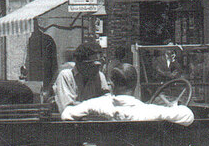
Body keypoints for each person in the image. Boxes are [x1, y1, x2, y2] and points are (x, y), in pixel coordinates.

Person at [62, 64, 193, 125]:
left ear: (112, 85)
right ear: (135, 85)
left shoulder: (96, 105)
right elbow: (188, 115)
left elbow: (66, 113)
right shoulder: (150, 111)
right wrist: (173, 107)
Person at [53, 41, 104, 112]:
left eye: (99, 65)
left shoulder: (100, 76)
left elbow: (107, 101)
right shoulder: (66, 76)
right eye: (93, 65)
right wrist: (96, 106)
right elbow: (68, 109)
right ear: (80, 64)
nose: (97, 68)